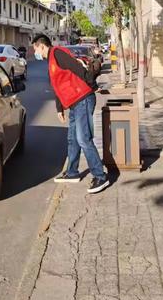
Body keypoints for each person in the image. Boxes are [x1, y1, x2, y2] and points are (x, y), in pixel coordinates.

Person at [32, 34, 109, 193]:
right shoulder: (51, 60)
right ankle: (72, 172)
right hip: (74, 103)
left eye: (35, 49)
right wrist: (59, 108)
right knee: (72, 138)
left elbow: (78, 68)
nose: (35, 52)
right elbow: (57, 86)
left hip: (83, 99)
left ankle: (100, 176)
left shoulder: (58, 53)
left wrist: (92, 85)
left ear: (42, 46)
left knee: (83, 138)